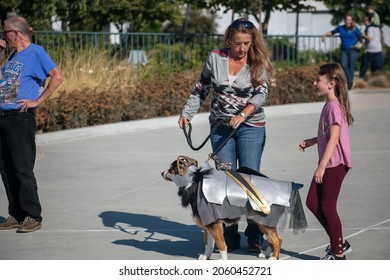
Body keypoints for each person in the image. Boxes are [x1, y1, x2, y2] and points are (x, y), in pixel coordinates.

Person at [178, 18, 274, 253]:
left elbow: (262, 92)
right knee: (224, 182)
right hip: (221, 127)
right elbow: (202, 86)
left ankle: (254, 236)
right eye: (238, 43)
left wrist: (244, 113)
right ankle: (229, 235)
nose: (242, 49)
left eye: (247, 44)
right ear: (228, 40)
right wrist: (187, 113)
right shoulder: (215, 58)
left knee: (248, 181)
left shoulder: (256, 60)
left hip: (250, 127)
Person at [0, 16, 64, 233]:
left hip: (20, 118)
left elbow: (57, 77)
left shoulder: (36, 52)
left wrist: (37, 101)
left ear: (15, 33)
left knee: (22, 168)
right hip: (3, 117)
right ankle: (16, 214)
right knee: (6, 168)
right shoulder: (11, 55)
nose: (3, 37)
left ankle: (33, 216)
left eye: (5, 33)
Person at [298, 63, 353, 260]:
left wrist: (321, 166)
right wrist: (312, 141)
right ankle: (339, 242)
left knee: (327, 207)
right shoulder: (328, 105)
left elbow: (335, 139)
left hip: (335, 164)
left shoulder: (335, 108)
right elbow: (327, 134)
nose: (314, 83)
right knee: (313, 202)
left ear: (331, 83)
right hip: (329, 162)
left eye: (318, 80)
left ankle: (338, 255)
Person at [322, 14, 362, 90]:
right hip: (344, 49)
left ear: (351, 21)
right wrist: (324, 35)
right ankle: (350, 81)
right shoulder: (340, 28)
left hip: (353, 50)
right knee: (343, 65)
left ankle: (349, 83)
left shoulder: (355, 29)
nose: (348, 21)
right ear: (344, 20)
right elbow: (332, 32)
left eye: (349, 20)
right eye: (346, 19)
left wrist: (357, 44)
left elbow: (360, 38)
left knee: (351, 67)